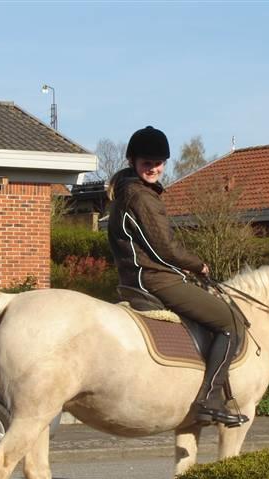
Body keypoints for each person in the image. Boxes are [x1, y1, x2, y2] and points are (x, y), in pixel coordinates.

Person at [106, 126, 248, 427]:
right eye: (147, 162)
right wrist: (197, 265)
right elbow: (165, 248)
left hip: (144, 274)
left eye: (158, 162)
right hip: (154, 278)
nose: (154, 167)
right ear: (133, 161)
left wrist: (179, 265)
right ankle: (208, 400)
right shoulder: (140, 197)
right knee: (230, 321)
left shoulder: (128, 191)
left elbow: (152, 246)